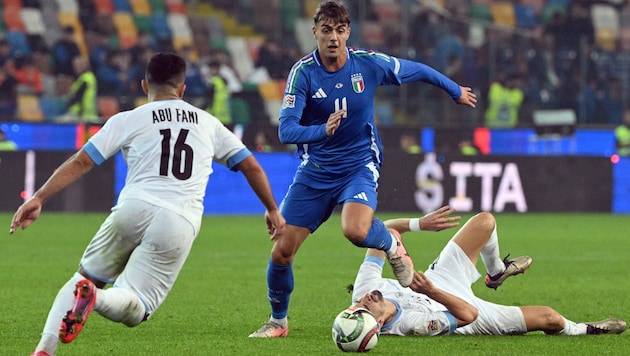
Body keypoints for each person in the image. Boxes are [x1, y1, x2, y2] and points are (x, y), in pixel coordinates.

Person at [10, 52, 286, 356]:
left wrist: (38, 197)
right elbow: (252, 167)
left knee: (84, 276)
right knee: (136, 306)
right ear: (182, 89)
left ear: (144, 85)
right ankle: (95, 300)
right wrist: (272, 209)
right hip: (179, 220)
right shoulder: (209, 124)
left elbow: (82, 161)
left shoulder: (128, 119)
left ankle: (45, 349)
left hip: (133, 207)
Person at [249, 1, 477, 338]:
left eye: (339, 30)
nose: (333, 38)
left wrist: (454, 90)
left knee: (355, 231)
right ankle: (278, 322)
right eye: (326, 30)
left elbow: (418, 70)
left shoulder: (368, 65)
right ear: (315, 32)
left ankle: (388, 242)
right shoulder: (303, 74)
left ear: (347, 32)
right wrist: (321, 131)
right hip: (315, 171)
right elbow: (286, 130)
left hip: (359, 164)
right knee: (281, 251)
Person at [344, 206, 627, 337]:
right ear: (379, 325)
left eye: (355, 306)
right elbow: (468, 315)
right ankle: (584, 330)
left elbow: (379, 229)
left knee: (485, 222)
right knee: (549, 317)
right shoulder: (413, 326)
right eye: (364, 309)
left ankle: (497, 272)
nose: (361, 301)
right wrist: (430, 290)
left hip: (441, 278)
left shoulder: (365, 288)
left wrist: (419, 224)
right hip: (458, 306)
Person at [60, 56, 99, 122]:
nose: (76, 68)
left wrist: (69, 102)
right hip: (89, 114)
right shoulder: (87, 77)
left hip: (80, 114)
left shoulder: (85, 78)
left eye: (78, 65)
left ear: (84, 65)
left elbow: (77, 96)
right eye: (75, 66)